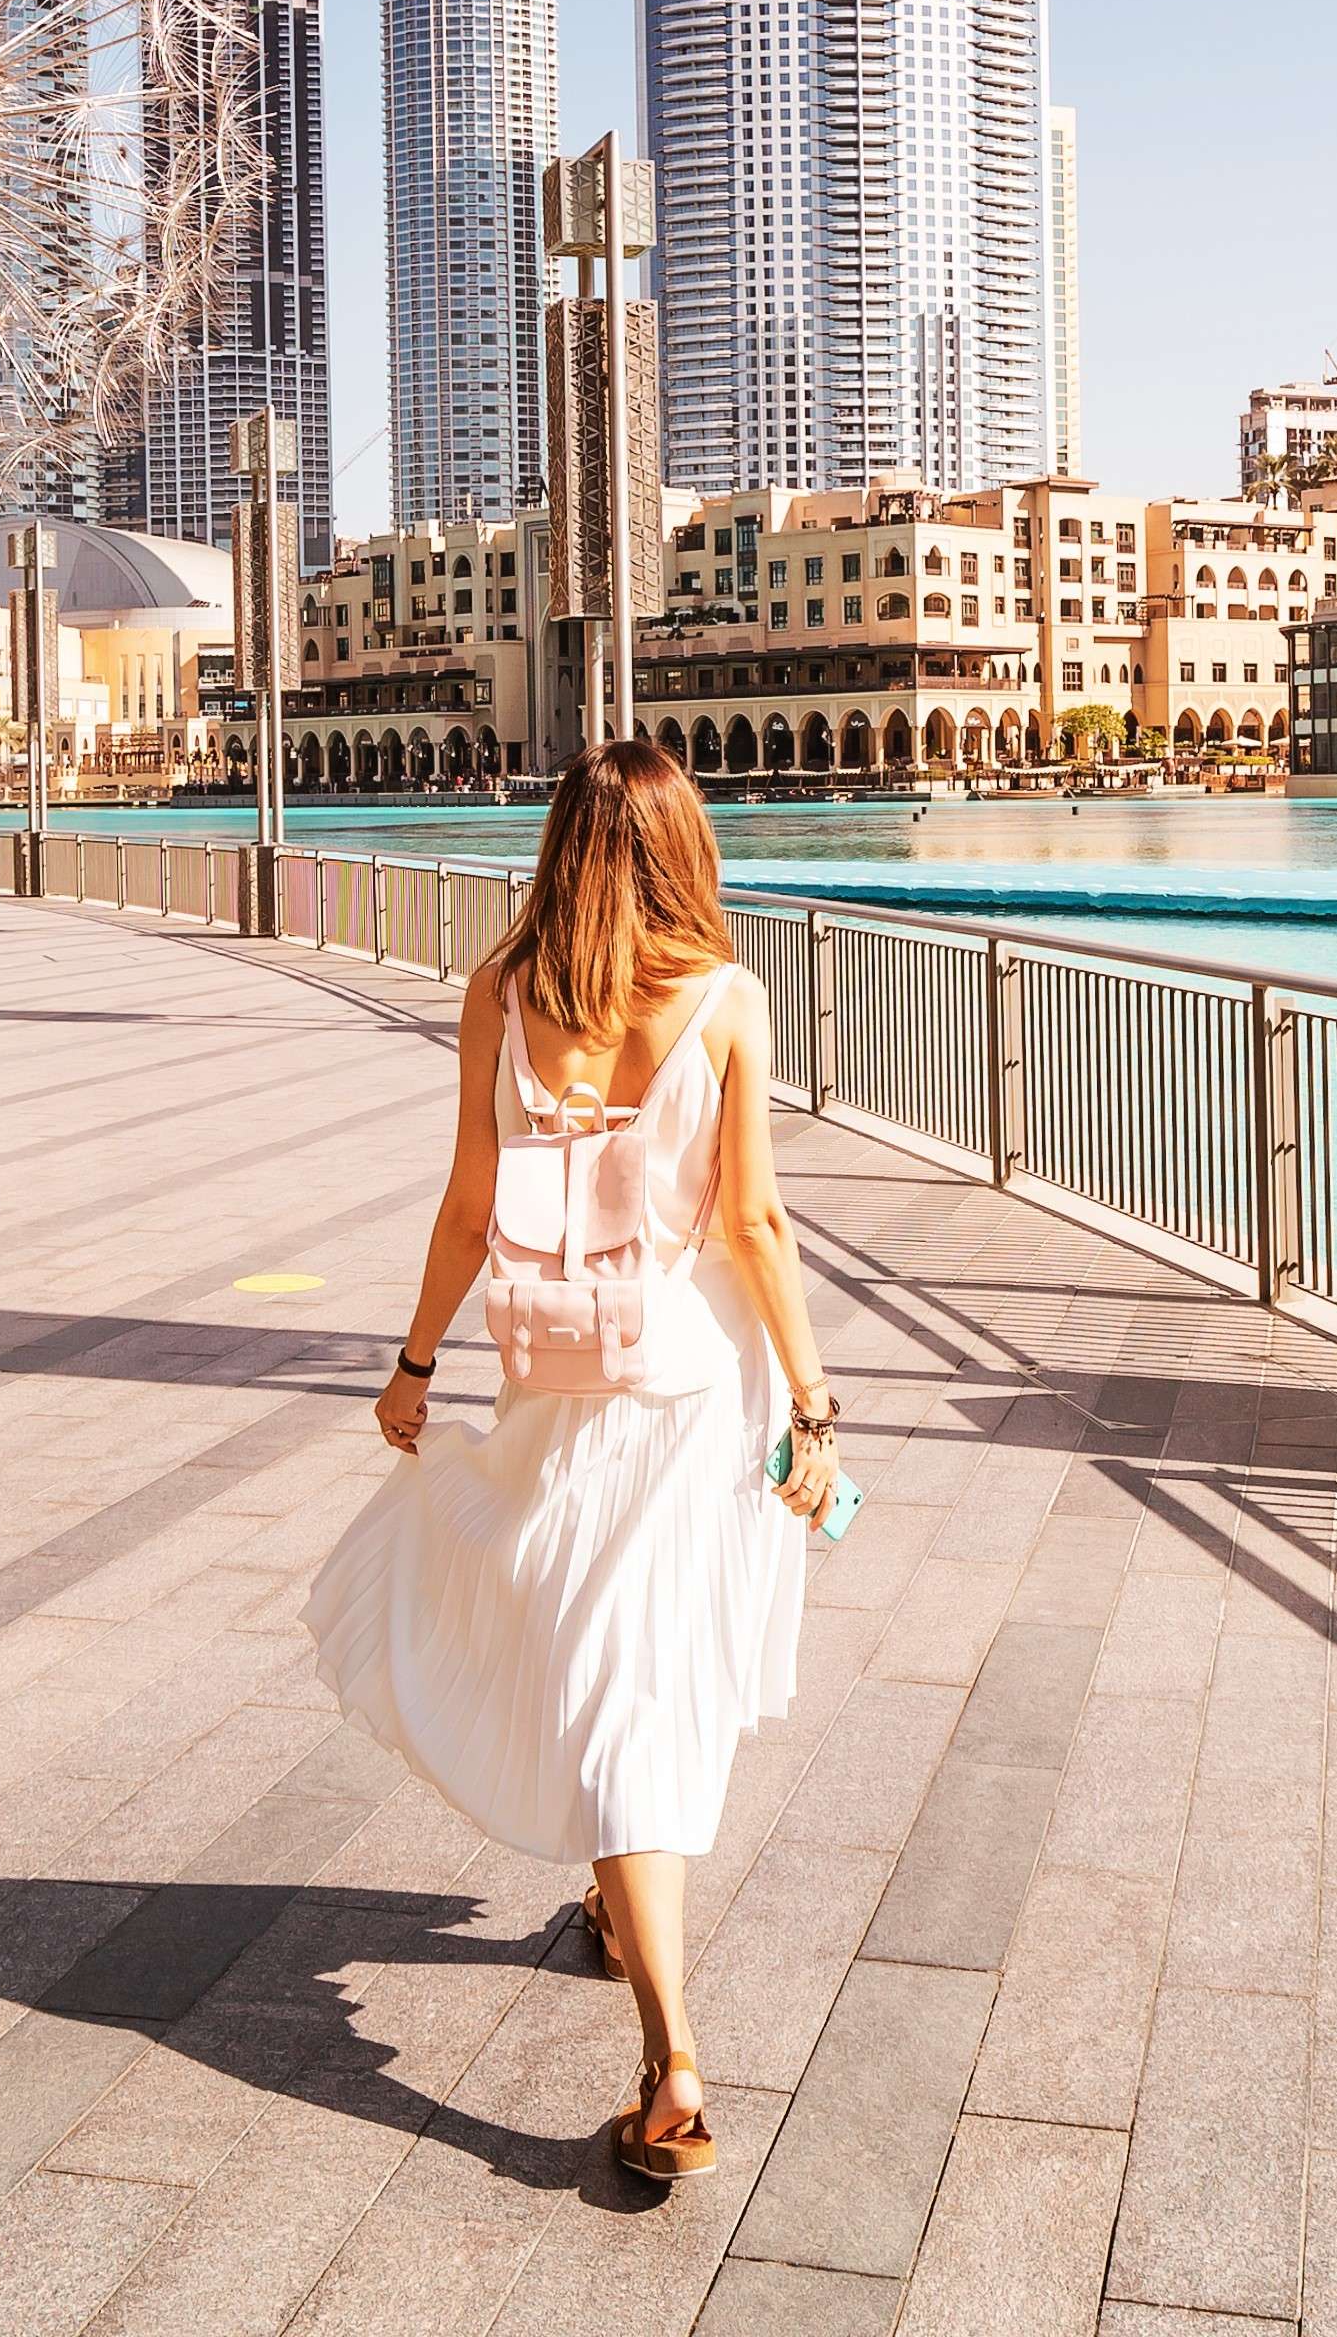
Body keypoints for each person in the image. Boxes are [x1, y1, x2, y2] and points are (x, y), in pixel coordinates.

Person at [307, 740, 840, 2190]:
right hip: (689, 1388)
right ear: (683, 850)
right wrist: (810, 1394)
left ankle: (631, 1945)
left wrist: (416, 1364)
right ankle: (672, 2053)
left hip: (555, 1378)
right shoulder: (725, 1001)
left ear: (562, 845)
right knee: (640, 1679)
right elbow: (756, 1227)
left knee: (607, 1668)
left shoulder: (501, 989)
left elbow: (472, 1205)